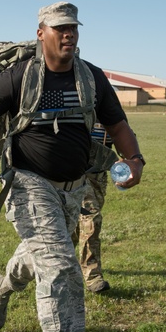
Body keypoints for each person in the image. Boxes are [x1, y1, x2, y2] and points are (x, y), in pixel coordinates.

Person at [0, 1, 145, 332]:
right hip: (27, 184)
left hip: (73, 189)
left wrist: (134, 159)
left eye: (73, 27)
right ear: (41, 33)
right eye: (59, 28)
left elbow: (117, 124)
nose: (68, 34)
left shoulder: (90, 77)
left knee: (41, 253)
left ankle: (2, 286)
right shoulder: (18, 77)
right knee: (59, 265)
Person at [73, 121, 114, 293]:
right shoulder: (73, 102)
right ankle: (93, 275)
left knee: (74, 227)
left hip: (98, 176)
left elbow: (120, 133)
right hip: (73, 172)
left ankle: (51, 264)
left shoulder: (105, 105)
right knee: (91, 220)